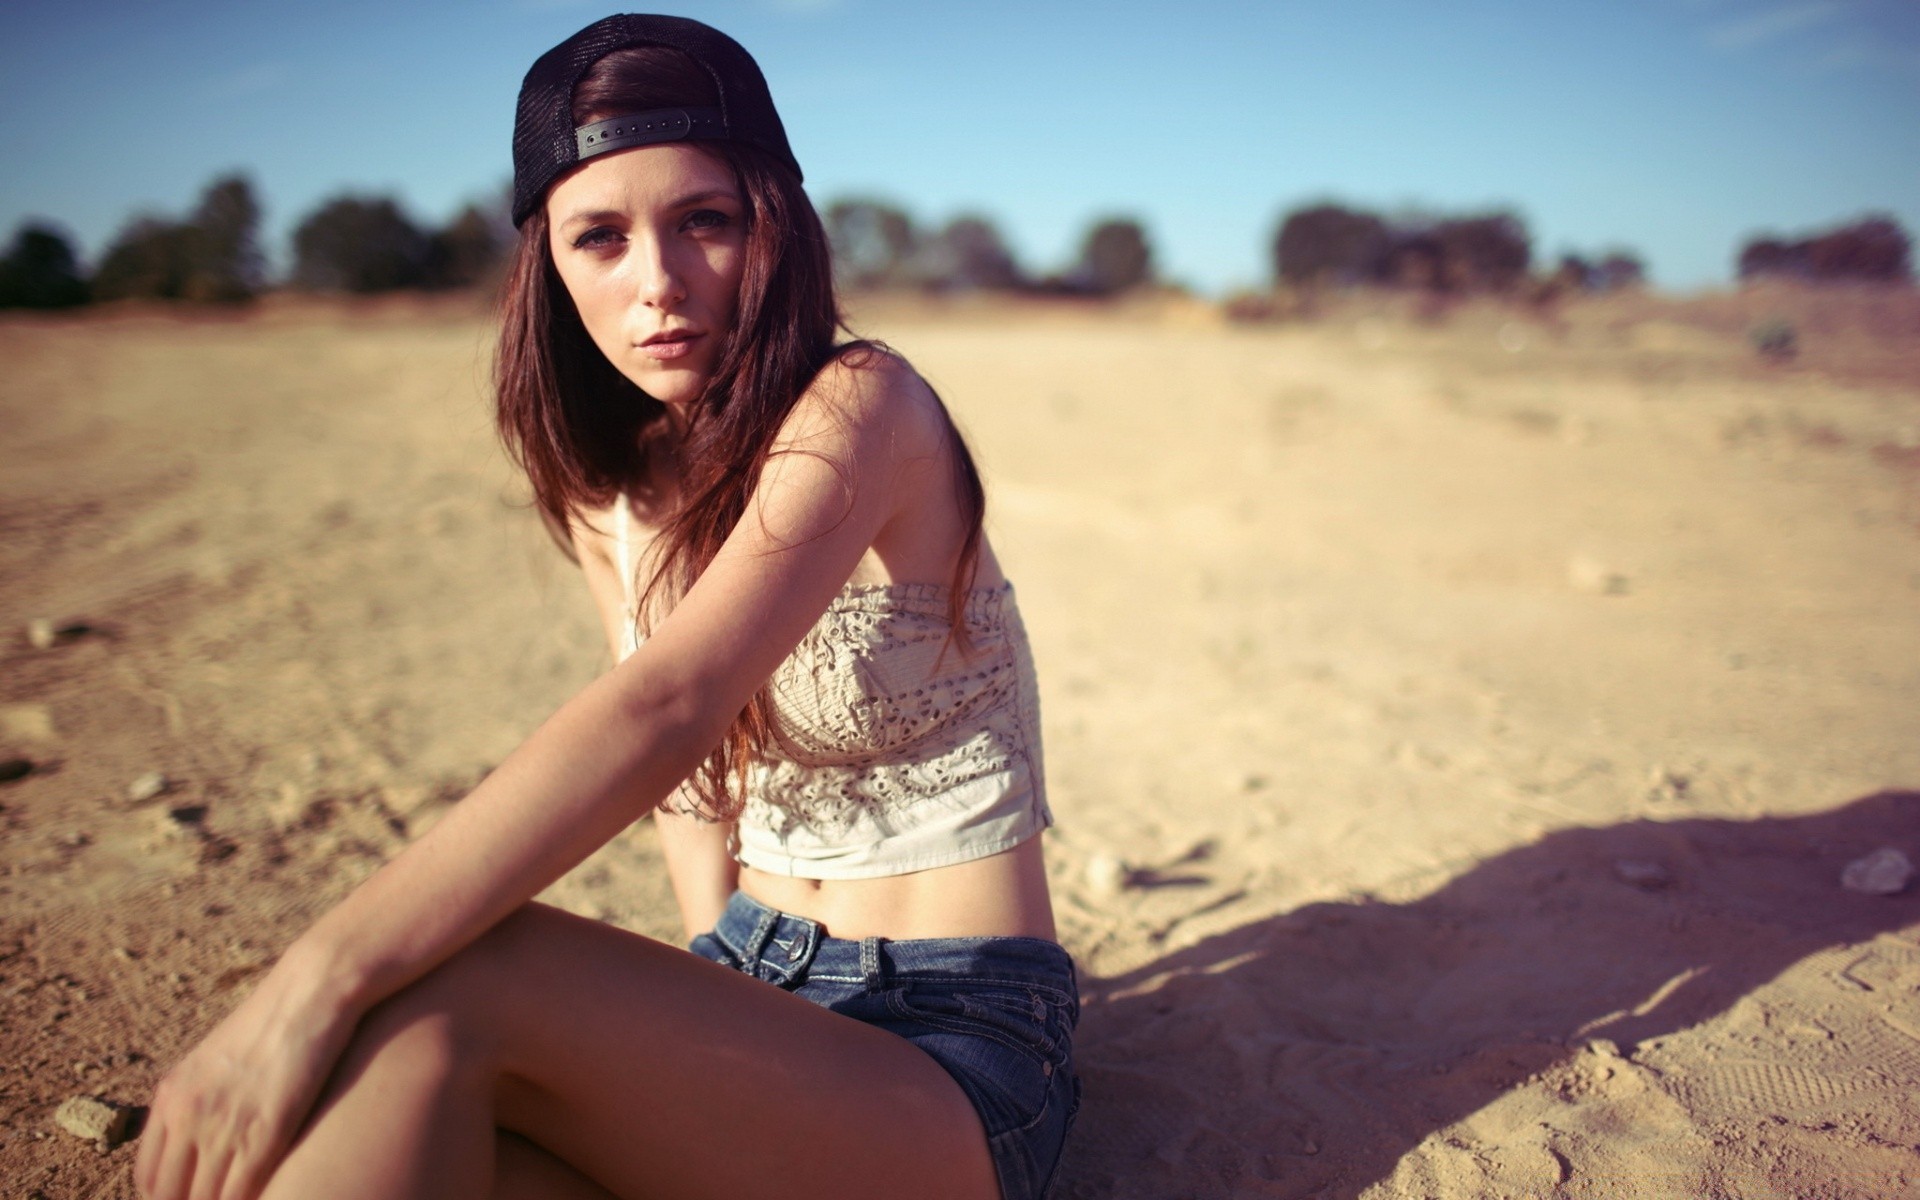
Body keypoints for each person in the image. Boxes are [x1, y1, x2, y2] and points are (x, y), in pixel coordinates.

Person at [133, 13, 1078, 1200]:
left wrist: (307, 980)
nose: (659, 286)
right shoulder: (611, 492)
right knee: (390, 1076)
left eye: (705, 222)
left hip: (951, 1048)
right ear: (549, 266)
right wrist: (710, 984)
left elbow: (667, 708)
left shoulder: (863, 404)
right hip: (752, 997)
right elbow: (696, 790)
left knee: (458, 977)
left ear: (775, 223)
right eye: (600, 238)